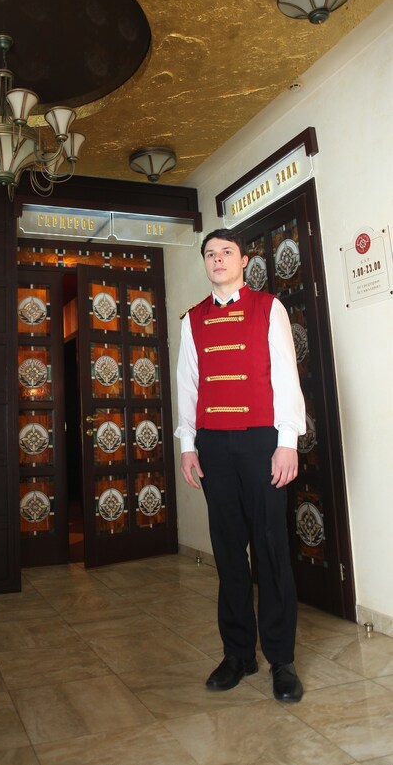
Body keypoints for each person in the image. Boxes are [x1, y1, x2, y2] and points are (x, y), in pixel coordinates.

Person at [175, 227, 306, 702]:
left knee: (270, 549)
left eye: (226, 252)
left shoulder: (269, 308)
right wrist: (188, 444)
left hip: (261, 442)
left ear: (243, 260)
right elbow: (188, 384)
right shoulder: (192, 319)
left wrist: (287, 442)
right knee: (228, 552)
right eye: (210, 253)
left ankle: (281, 660)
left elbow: (286, 377)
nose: (217, 259)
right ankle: (238, 655)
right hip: (214, 446)